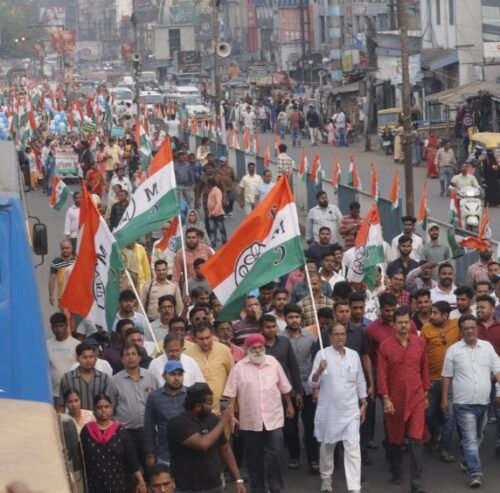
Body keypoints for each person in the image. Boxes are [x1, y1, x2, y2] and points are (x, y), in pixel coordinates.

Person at [224, 333, 294, 493]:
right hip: (250, 421)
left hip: (273, 419)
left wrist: (289, 405)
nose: (257, 350)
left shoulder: (273, 363)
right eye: (253, 348)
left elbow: (284, 387)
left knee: (275, 455)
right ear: (247, 349)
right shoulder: (239, 368)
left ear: (263, 347)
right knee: (254, 458)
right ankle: (257, 489)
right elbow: (231, 394)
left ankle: (276, 488)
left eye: (259, 347)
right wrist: (232, 416)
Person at [441, 315, 500, 487]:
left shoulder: (487, 347)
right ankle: (475, 474)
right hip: (463, 404)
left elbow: (498, 370)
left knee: (478, 436)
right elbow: (446, 376)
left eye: (473, 327)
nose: (470, 331)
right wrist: (444, 399)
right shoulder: (453, 350)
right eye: (466, 328)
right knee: (470, 439)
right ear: (460, 331)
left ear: (477, 329)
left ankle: (467, 460)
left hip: (483, 403)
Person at [377, 307, 430, 492]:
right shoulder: (385, 346)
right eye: (399, 322)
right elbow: (381, 374)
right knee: (395, 437)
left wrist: (425, 393)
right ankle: (396, 469)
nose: (403, 326)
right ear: (393, 324)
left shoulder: (419, 343)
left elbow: (424, 369)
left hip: (416, 396)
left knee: (416, 438)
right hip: (395, 398)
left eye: (406, 322)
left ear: (410, 323)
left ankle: (416, 482)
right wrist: (385, 398)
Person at [310, 322, 367, 493]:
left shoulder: (353, 355)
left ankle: (354, 487)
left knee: (353, 447)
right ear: (330, 337)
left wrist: (363, 401)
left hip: (350, 411)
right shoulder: (322, 355)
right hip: (330, 411)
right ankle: (326, 478)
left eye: (342, 334)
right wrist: (319, 371)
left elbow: (360, 380)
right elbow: (312, 382)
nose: (340, 337)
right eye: (336, 334)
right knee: (328, 447)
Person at [167, 383, 246, 493]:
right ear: (197, 406)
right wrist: (223, 422)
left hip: (215, 486)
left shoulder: (212, 419)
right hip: (188, 488)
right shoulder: (177, 423)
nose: (212, 407)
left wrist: (238, 480)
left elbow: (225, 449)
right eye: (209, 404)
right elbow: (202, 444)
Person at [80, 393, 147, 493]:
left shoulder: (120, 431)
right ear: (94, 411)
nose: (103, 410)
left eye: (106, 407)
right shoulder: (87, 431)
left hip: (118, 483)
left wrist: (141, 481)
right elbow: (80, 459)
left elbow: (131, 458)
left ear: (111, 408)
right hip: (94, 484)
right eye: (99, 407)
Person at [107, 342, 158, 469]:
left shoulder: (151, 377)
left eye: (134, 354)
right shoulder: (114, 381)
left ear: (139, 357)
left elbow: (158, 403)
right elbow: (110, 408)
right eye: (127, 354)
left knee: (152, 468)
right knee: (132, 469)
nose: (131, 357)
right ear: (122, 359)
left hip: (149, 432)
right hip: (126, 433)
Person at [420, 301, 460, 462]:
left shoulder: (457, 325)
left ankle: (444, 448)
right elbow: (421, 355)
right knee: (429, 414)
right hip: (432, 379)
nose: (431, 316)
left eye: (435, 313)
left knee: (449, 415)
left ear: (445, 315)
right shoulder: (426, 329)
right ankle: (435, 433)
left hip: (451, 380)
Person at [282, 306, 319, 473]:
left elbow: (317, 360)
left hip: (309, 388)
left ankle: (313, 459)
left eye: (297, 317)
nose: (294, 320)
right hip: (289, 389)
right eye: (291, 317)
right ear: (285, 319)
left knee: (310, 425)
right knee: (290, 427)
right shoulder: (280, 339)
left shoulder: (311, 337)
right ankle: (294, 456)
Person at [144, 360, 187, 466]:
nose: (176, 378)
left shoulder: (190, 394)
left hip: (189, 454)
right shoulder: (154, 397)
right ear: (164, 376)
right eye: (172, 374)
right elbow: (149, 428)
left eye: (179, 374)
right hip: (165, 455)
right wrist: (150, 453)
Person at [185, 322, 234, 414]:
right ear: (194, 339)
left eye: (208, 338)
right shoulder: (187, 355)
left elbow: (233, 378)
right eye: (201, 339)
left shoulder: (224, 350)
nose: (205, 342)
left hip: (222, 407)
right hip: (199, 410)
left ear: (212, 335)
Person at [59, 342, 110, 412]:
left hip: (97, 418)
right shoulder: (67, 378)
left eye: (91, 357)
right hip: (75, 418)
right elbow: (61, 404)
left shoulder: (104, 378)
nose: (88, 360)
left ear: (95, 358)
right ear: (77, 358)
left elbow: (108, 404)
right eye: (85, 357)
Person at [46, 312, 80, 407]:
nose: (58, 329)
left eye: (61, 326)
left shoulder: (77, 344)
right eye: (55, 326)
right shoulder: (46, 345)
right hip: (54, 393)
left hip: (73, 393)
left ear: (66, 325)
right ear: (51, 327)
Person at [49, 238, 75, 303]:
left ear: (71, 248)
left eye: (67, 248)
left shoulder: (77, 260)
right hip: (62, 297)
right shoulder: (55, 262)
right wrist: (51, 295)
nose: (65, 250)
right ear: (60, 249)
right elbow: (52, 279)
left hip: (76, 296)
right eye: (63, 248)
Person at [207, 177, 227, 248]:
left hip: (218, 214)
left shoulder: (217, 191)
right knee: (212, 230)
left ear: (210, 184)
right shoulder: (211, 191)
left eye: (208, 183)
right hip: (211, 214)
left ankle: (224, 242)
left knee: (221, 229)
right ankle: (213, 244)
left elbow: (219, 203)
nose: (207, 185)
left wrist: (214, 212)